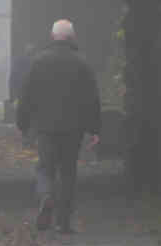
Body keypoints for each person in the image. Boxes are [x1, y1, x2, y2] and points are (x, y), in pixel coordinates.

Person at [14, 19, 102, 233]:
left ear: (53, 37)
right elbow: (92, 99)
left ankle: (46, 196)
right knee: (68, 172)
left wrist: (23, 123)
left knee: (45, 168)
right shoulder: (82, 64)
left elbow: (26, 95)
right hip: (74, 128)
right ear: (72, 38)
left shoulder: (39, 62)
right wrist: (94, 129)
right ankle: (63, 221)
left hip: (46, 127)